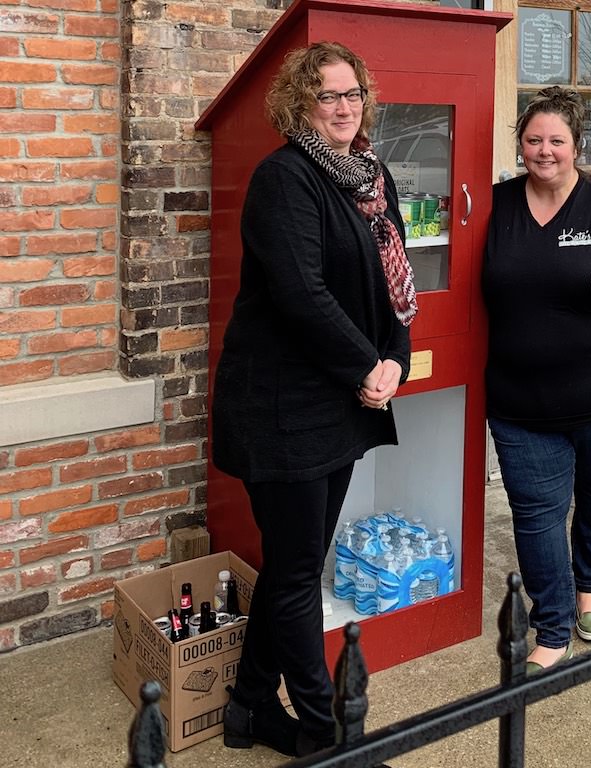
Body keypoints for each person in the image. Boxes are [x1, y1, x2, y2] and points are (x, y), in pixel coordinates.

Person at [210, 41, 416, 756]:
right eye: (327, 94)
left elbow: (392, 284)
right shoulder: (285, 179)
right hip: (281, 406)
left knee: (293, 564)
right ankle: (326, 737)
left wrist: (395, 358)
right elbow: (302, 293)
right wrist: (366, 366)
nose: (343, 106)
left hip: (341, 399)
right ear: (300, 104)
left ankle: (247, 707)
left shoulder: (372, 178)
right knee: (298, 573)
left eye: (352, 92)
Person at [482, 87, 591, 674]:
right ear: (520, 144)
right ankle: (553, 625)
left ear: (576, 146)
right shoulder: (495, 205)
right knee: (536, 512)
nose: (544, 151)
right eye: (533, 139)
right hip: (520, 398)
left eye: (556, 140)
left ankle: (590, 589)